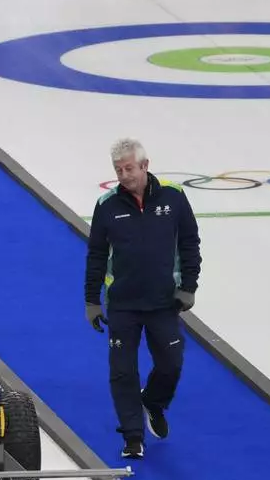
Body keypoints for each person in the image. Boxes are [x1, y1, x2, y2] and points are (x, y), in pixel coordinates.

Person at [83, 138, 201, 460]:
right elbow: (95, 255)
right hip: (123, 305)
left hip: (164, 302)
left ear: (145, 166)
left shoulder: (173, 197)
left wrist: (188, 286)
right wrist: (92, 300)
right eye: (118, 170)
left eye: (129, 168)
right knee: (122, 372)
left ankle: (154, 401)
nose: (124, 175)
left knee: (172, 363)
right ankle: (132, 437)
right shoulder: (106, 205)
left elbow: (190, 242)